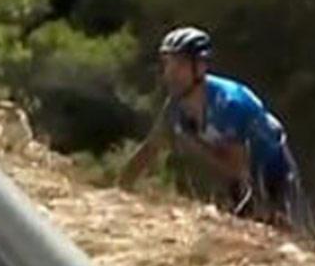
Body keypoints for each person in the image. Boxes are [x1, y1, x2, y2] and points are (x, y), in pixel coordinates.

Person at [118, 26, 302, 227]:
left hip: (273, 171)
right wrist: (119, 191)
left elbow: (235, 170)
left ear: (200, 67)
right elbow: (150, 148)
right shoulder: (176, 103)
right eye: (167, 65)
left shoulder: (230, 103)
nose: (170, 74)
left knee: (281, 233)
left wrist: (192, 145)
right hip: (239, 179)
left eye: (179, 66)